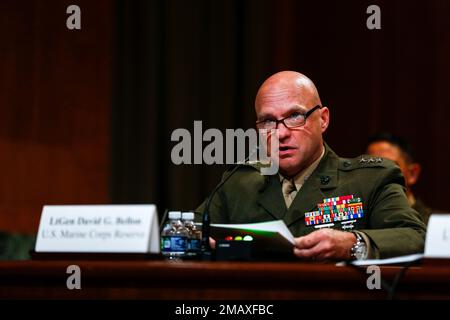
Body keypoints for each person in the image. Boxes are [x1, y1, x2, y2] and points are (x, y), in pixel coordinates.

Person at [197, 71, 426, 260]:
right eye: (268, 121)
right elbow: (190, 228)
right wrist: (199, 241)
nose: (281, 133)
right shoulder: (239, 183)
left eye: (295, 116)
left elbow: (415, 238)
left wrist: (354, 243)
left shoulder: (369, 180)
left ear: (323, 119)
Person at [366, 132, 432, 225]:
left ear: (412, 173)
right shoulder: (354, 223)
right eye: (370, 167)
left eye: (390, 166)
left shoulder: (436, 226)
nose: (378, 175)